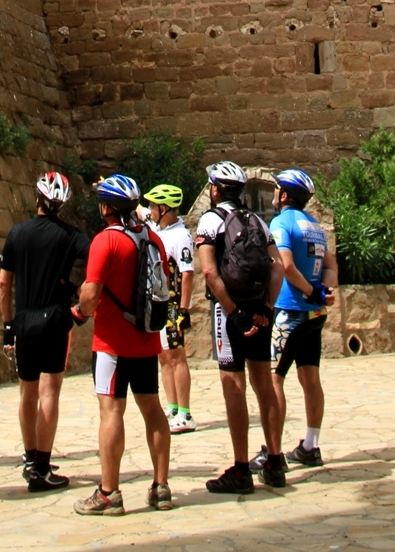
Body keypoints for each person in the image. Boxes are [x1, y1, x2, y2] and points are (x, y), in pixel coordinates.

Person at [73, 173, 173, 515]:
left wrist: (80, 309)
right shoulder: (153, 239)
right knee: (153, 410)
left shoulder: (106, 241)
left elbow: (91, 294)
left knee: (111, 412)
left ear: (106, 208)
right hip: (146, 340)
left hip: (112, 344)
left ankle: (109, 492)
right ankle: (161, 487)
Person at [196, 160, 285, 493]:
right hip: (260, 311)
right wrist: (265, 308)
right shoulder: (259, 222)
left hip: (230, 312)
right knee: (264, 383)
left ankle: (240, 468)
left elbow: (208, 272)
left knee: (233, 383)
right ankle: (275, 461)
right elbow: (277, 268)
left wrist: (233, 313)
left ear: (216, 190)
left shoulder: (211, 219)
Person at [0, 170, 89, 492]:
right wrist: (80, 296)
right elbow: (97, 260)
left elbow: (3, 282)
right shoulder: (72, 235)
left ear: (36, 198)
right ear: (61, 205)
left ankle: (28, 457)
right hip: (56, 322)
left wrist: (8, 324)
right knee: (50, 392)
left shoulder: (17, 233)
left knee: (27, 392)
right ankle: (42, 466)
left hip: (23, 321)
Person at [267, 168, 337, 470]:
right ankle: (311, 444)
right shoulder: (315, 225)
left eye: (276, 189)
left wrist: (310, 291)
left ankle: (274, 452)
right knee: (310, 378)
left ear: (284, 195)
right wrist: (325, 291)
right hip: (315, 314)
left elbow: (286, 265)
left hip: (291, 310)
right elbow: (332, 264)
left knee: (274, 379)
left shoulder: (281, 222)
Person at [143, 184, 195, 433]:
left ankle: (185, 413)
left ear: (164, 209)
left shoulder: (180, 235)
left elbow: (187, 274)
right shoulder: (156, 227)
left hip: (173, 305)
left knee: (176, 356)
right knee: (162, 356)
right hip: (157, 303)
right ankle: (172, 407)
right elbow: (140, 211)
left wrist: (184, 309)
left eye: (154, 206)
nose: (151, 210)